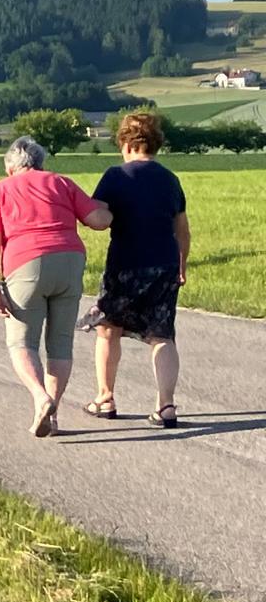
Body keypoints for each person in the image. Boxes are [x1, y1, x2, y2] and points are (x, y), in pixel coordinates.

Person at [0, 136, 111, 437]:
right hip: (70, 261)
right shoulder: (61, 183)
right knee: (61, 343)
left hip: (25, 263)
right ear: (40, 162)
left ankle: (41, 398)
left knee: (21, 342)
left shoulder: (0, 190)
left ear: (10, 167)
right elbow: (98, 220)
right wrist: (113, 207)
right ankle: (53, 416)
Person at [80, 112, 191, 429]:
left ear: (126, 144)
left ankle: (105, 398)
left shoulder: (116, 176)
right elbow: (182, 230)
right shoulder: (170, 179)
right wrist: (181, 265)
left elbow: (98, 218)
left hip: (125, 264)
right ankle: (166, 406)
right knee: (162, 334)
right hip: (164, 264)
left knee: (108, 329)